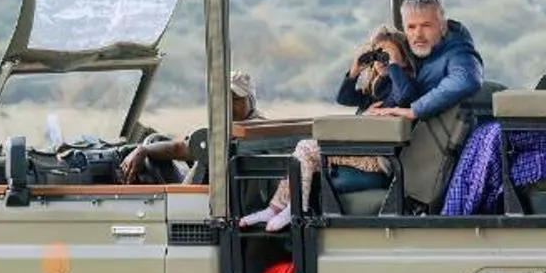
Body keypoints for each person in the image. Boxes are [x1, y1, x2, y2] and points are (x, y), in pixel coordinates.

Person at [243, 26, 416, 231]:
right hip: (363, 151)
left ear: (404, 60)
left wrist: (394, 64)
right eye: (378, 55)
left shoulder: (404, 85)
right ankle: (276, 208)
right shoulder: (379, 86)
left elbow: (405, 96)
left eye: (387, 55)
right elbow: (344, 98)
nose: (382, 61)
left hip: (378, 158)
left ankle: (295, 209)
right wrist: (355, 69)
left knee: (305, 148)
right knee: (301, 157)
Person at [118, 70, 259, 182]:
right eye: (225, 98)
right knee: (155, 141)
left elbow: (181, 149)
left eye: (236, 99)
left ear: (251, 101)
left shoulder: (247, 131)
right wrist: (143, 149)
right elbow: (185, 148)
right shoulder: (247, 126)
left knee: (153, 143)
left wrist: (143, 150)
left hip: (219, 200)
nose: (229, 105)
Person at [367, 0, 485, 125]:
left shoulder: (457, 51)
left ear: (442, 27)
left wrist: (415, 110)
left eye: (426, 25)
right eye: (411, 27)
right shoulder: (408, 52)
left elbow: (466, 79)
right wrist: (376, 109)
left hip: (442, 131)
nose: (418, 34)